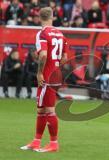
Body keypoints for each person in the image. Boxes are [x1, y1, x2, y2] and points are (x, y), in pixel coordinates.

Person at [20, 7, 67, 152]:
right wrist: (56, 66)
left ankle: (54, 144)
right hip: (56, 73)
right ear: (52, 17)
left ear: (39, 18)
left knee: (49, 110)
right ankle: (36, 141)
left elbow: (44, 55)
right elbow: (64, 58)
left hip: (47, 74)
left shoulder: (42, 33)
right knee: (41, 110)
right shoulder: (60, 34)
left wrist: (40, 72)